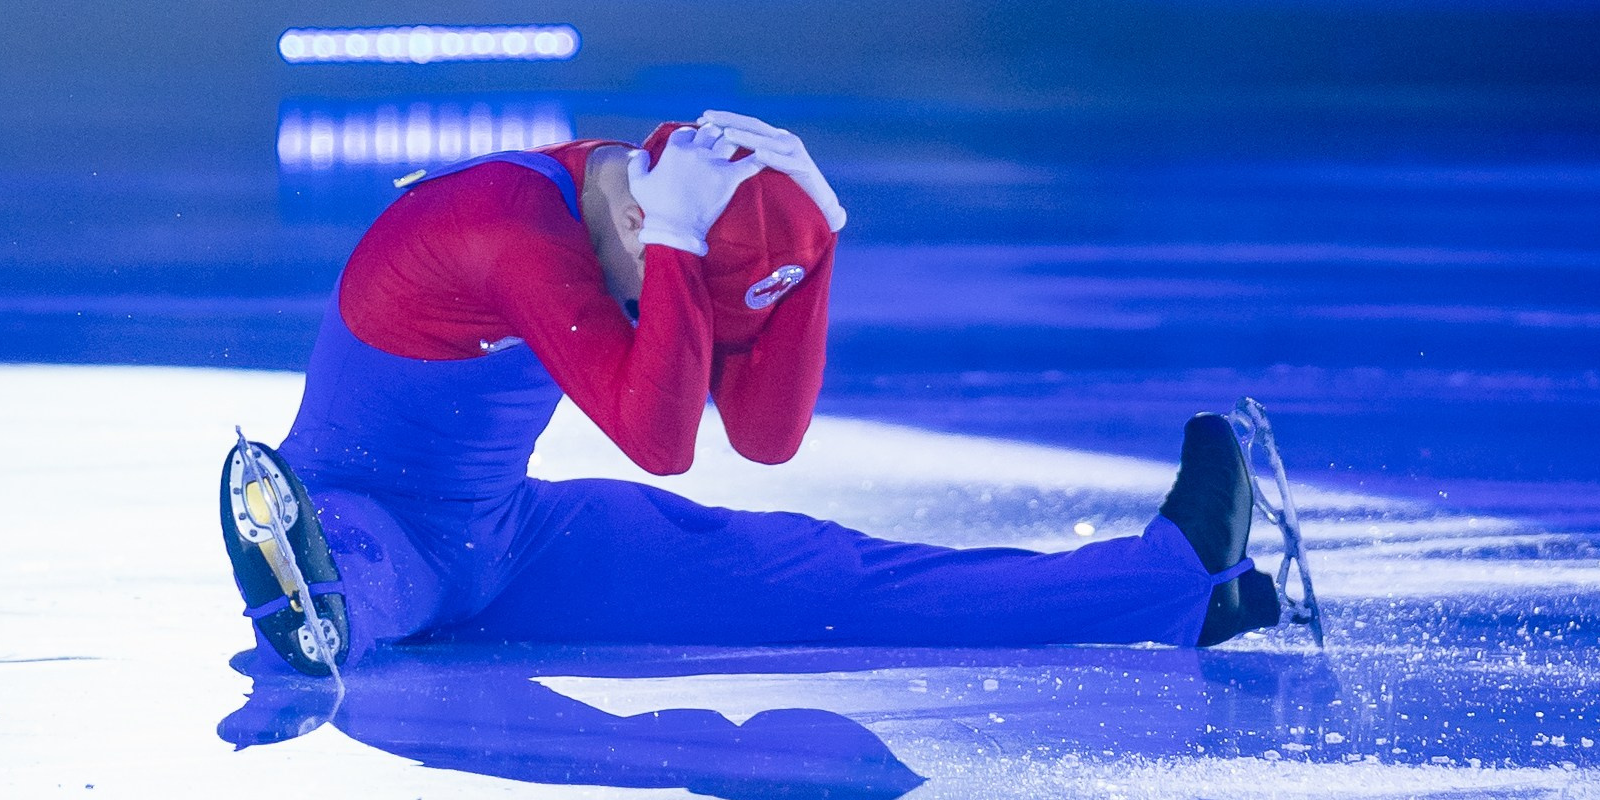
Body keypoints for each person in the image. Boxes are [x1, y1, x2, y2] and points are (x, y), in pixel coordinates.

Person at [219, 111, 1284, 675]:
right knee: (370, 569)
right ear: (647, 226)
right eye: (678, 286)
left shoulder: (646, 223)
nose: (680, 316)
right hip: (369, 520)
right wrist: (683, 254)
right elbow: (659, 438)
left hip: (510, 542)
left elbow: (765, 436)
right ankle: (310, 599)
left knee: (827, 574)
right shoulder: (509, 225)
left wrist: (818, 248)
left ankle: (1182, 583)